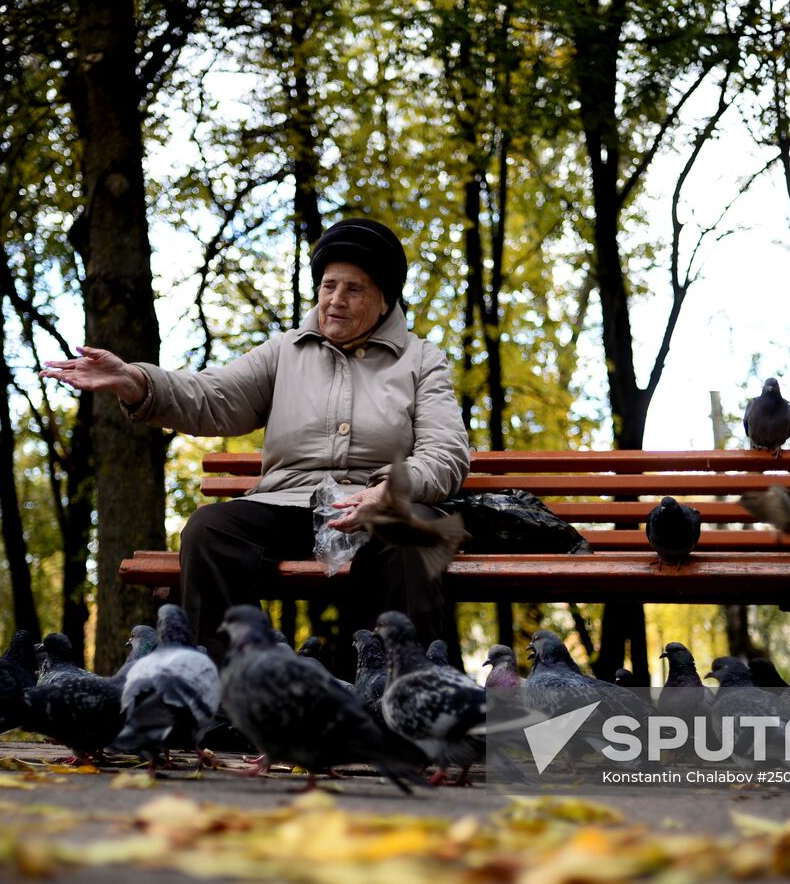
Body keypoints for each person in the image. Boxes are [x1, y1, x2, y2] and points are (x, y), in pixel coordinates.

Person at [43, 218, 471, 660]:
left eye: (354, 290)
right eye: (328, 287)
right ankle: (231, 701)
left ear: (384, 301)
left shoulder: (421, 359)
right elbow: (211, 396)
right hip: (287, 504)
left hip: (381, 509)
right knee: (209, 531)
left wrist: (389, 492)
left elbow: (446, 453)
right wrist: (135, 381)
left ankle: (404, 698)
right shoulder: (286, 351)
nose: (335, 301)